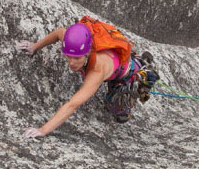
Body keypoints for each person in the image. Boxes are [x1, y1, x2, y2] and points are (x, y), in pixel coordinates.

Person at [16, 16, 150, 138]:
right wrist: (34, 47)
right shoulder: (72, 41)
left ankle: (144, 67)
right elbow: (59, 33)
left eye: (77, 58)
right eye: (68, 56)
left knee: (119, 115)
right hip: (114, 64)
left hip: (127, 73)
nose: (72, 63)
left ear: (88, 52)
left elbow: (73, 104)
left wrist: (43, 130)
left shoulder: (98, 69)